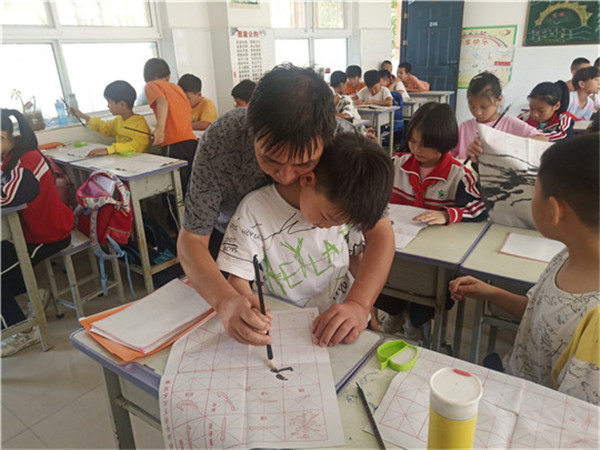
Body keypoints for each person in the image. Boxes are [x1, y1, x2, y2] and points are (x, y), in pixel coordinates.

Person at [177, 64, 395, 348]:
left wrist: (359, 304)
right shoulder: (222, 139)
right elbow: (192, 240)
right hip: (236, 244)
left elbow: (380, 233)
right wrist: (226, 301)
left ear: (326, 136)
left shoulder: (343, 142)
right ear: (251, 129)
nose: (287, 176)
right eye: (270, 159)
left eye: (304, 164)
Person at [449, 133, 599, 406]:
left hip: (532, 413)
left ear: (554, 210)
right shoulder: (567, 255)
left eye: (535, 192)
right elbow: (540, 315)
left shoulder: (596, 323)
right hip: (514, 383)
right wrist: (491, 293)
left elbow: (573, 416)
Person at [217, 132, 393, 313]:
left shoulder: (346, 207)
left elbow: (355, 258)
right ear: (308, 179)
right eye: (327, 218)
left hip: (336, 312)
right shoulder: (255, 210)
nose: (330, 227)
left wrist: (363, 308)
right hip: (279, 317)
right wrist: (252, 312)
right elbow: (237, 278)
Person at [378, 102, 486, 337]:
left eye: (425, 144)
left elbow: (480, 209)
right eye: (412, 141)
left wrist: (448, 214)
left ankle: (415, 323)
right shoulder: (396, 164)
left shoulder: (460, 174)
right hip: (397, 251)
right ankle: (394, 313)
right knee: (384, 285)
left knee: (424, 299)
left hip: (432, 261)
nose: (416, 149)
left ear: (444, 142)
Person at [1, 109, 74, 357]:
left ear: (2, 136)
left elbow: (9, 197)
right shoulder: (10, 156)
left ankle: (24, 331)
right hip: (28, 232)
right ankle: (33, 294)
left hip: (48, 234)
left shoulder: (27, 160)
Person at [452, 72, 545, 162]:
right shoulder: (464, 127)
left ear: (499, 99)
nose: (478, 112)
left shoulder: (511, 123)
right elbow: (450, 155)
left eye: (484, 107)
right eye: (472, 106)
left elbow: (542, 140)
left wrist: (507, 145)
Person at [143, 58, 197, 189]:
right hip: (191, 142)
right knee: (191, 185)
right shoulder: (177, 88)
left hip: (174, 144)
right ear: (168, 76)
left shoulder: (151, 85)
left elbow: (162, 102)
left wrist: (160, 129)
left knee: (174, 187)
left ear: (146, 78)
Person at [68, 80, 151, 157]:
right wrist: (83, 116)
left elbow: (137, 146)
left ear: (122, 104)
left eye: (109, 102)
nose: (108, 106)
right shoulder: (118, 120)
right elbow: (105, 127)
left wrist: (109, 150)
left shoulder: (140, 123)